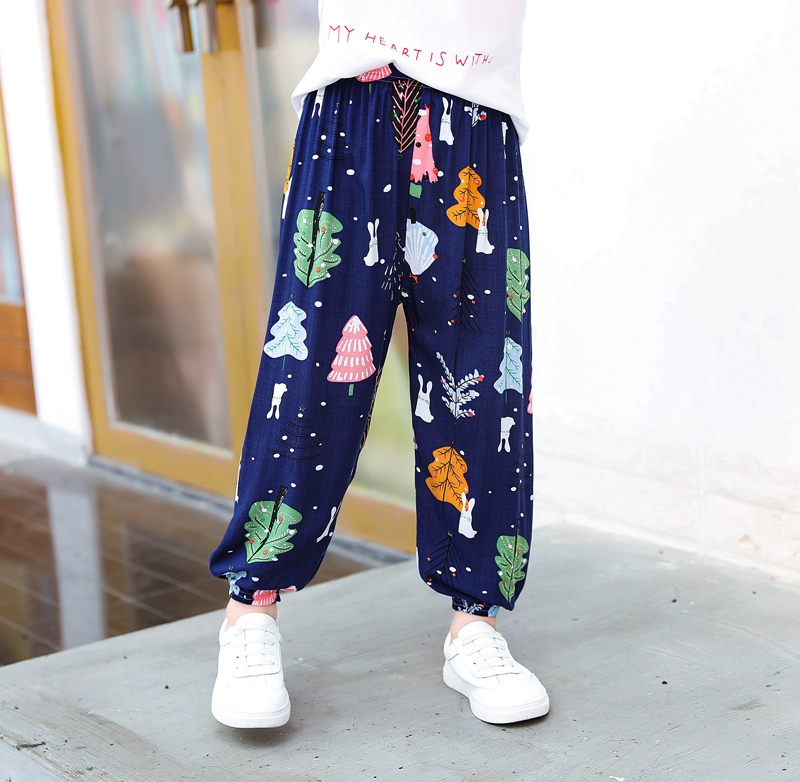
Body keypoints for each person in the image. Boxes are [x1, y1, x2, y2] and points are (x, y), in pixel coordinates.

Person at [208, 0, 548, 728]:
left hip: (475, 114)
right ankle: (250, 612)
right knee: (308, 375)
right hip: (351, 104)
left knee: (481, 375)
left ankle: (475, 624)